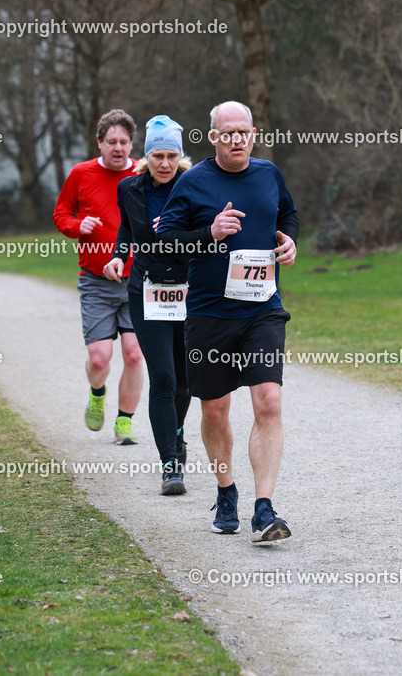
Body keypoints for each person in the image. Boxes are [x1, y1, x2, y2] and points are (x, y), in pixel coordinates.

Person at [156, 101, 300, 543]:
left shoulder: (269, 174)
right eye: (228, 133)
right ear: (213, 137)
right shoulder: (193, 183)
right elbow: (166, 240)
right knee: (215, 410)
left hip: (262, 308)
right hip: (208, 312)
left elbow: (288, 214)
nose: (237, 139)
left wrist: (290, 240)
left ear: (253, 134)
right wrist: (209, 233)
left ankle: (264, 508)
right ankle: (225, 491)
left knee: (269, 403)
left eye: (244, 132)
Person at [104, 115, 193, 495]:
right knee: (163, 376)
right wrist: (117, 256)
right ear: (147, 156)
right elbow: (127, 227)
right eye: (158, 154)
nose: (165, 163)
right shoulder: (130, 189)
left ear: (180, 157)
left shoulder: (194, 187)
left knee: (186, 379)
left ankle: (176, 433)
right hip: (148, 289)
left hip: (190, 291)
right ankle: (170, 463)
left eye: (172, 155)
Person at [53, 109, 143, 445]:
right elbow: (61, 213)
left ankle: (124, 423)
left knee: (134, 354)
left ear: (132, 143)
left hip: (137, 280)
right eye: (112, 142)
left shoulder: (142, 174)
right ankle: (97, 392)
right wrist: (78, 227)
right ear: (100, 143)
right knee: (99, 357)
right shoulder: (81, 173)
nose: (118, 148)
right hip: (96, 283)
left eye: (124, 142)